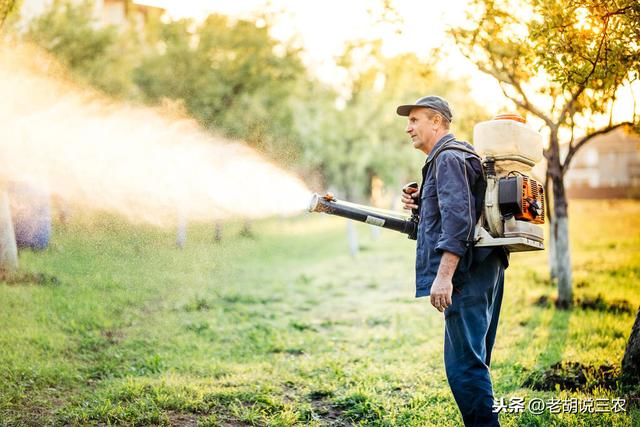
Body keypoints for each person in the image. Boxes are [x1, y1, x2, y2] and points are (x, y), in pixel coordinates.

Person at [398, 95, 508, 427]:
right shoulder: (458, 155)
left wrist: (444, 276)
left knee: (464, 368)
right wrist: (421, 205)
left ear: (437, 122)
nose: (408, 128)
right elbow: (459, 211)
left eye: (414, 120)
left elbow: (458, 222)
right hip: (487, 267)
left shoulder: (447, 159)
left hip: (467, 274)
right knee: (475, 362)